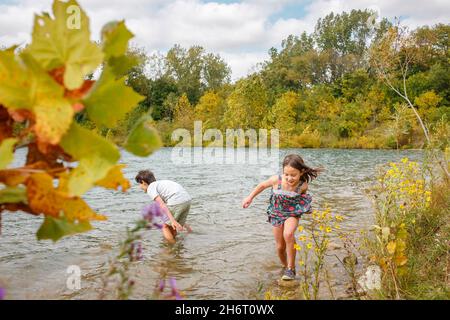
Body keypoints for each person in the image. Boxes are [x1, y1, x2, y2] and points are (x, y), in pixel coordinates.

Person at [242, 154, 322, 280]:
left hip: (292, 214)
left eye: (293, 175)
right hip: (276, 213)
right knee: (280, 247)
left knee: (288, 234)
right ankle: (285, 267)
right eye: (287, 174)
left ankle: (291, 268)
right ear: (283, 172)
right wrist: (249, 198)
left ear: (301, 172)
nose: (289, 178)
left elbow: (302, 199)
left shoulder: (303, 185)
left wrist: (305, 208)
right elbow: (261, 186)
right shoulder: (276, 180)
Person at [135, 170, 192, 244]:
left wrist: (172, 220)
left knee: (164, 226)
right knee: (171, 226)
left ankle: (171, 248)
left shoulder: (150, 188)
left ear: (143, 182)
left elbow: (162, 204)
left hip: (176, 201)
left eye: (139, 184)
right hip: (187, 200)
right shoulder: (161, 184)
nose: (140, 187)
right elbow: (173, 207)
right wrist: (185, 226)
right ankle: (177, 243)